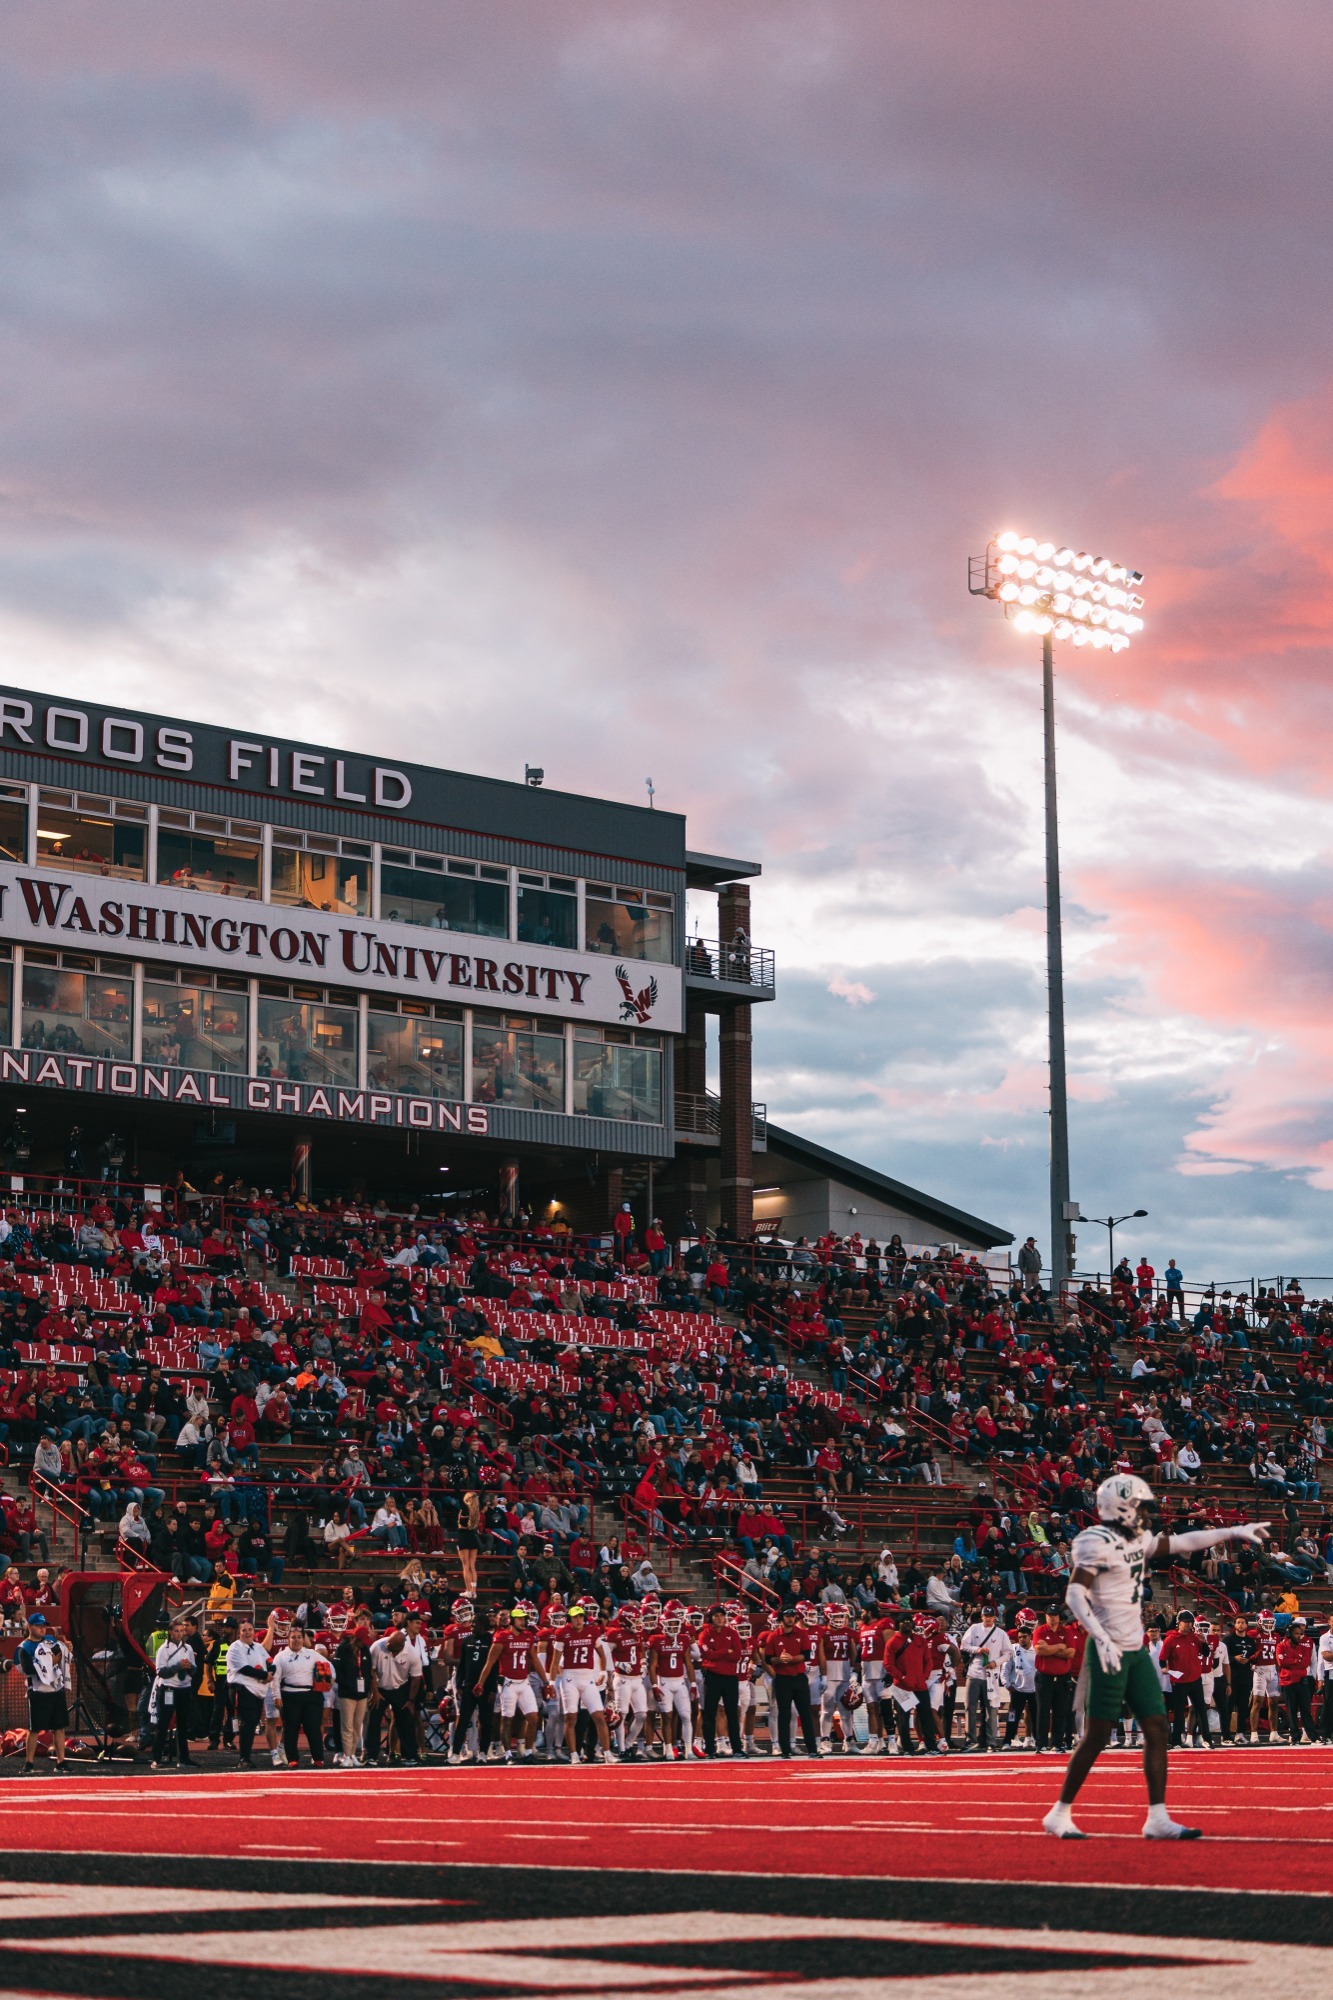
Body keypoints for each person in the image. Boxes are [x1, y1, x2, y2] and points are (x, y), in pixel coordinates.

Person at [1043, 1473, 1270, 1840]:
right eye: (1139, 1508)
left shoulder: (1136, 1542)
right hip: (1108, 1647)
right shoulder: (1095, 1541)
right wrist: (1100, 1638)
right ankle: (1060, 1811)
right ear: (1120, 1508)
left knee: (1157, 1726)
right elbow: (1074, 1595)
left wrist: (1234, 1531)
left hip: (1134, 1648)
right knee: (1098, 1734)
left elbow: (1183, 1540)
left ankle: (1157, 1816)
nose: (1146, 1517)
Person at [14, 1611, 73, 1774]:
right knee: (35, 1728)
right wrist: (49, 1663)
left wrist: (68, 1649)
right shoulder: (24, 1647)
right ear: (30, 1627)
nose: (42, 1629)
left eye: (43, 1626)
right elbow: (27, 1669)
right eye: (38, 1626)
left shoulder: (50, 1641)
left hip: (55, 1688)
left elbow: (62, 1657)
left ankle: (61, 1761)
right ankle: (29, 1763)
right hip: (38, 1690)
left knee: (59, 1727)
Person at [762, 1607, 818, 1759]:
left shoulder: (802, 1633)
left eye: (792, 1616)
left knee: (805, 1713)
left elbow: (806, 1655)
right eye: (787, 1616)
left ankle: (812, 1748)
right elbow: (768, 1659)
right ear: (781, 1618)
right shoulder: (773, 1636)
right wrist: (780, 1660)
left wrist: (792, 1659)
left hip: (799, 1677)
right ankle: (785, 1749)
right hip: (782, 1678)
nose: (790, 1619)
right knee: (784, 1715)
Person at [272, 1623, 325, 1767]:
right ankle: (292, 1759)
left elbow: (329, 1667)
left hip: (311, 1696)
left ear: (303, 1639)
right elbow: (275, 1678)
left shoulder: (312, 1654)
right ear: (288, 1640)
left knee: (313, 1728)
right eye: (293, 1637)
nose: (296, 1640)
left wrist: (327, 1680)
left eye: (299, 1637)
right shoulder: (280, 1656)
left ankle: (318, 1758)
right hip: (290, 1696)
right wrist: (277, 1696)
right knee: (291, 1729)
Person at [225, 1617, 274, 1768]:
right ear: (239, 1633)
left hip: (258, 1691)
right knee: (246, 1724)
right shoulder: (235, 1647)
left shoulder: (258, 1647)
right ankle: (243, 1758)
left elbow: (270, 1661)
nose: (247, 1632)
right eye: (244, 1630)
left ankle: (246, 1756)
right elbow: (244, 1668)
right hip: (243, 1689)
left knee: (252, 1724)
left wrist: (271, 1672)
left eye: (250, 1629)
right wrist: (265, 1676)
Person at [151, 1617, 198, 1770]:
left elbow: (194, 1670)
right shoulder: (163, 1650)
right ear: (170, 1632)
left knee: (183, 1725)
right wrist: (178, 1667)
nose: (179, 1634)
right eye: (176, 1631)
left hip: (184, 1687)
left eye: (181, 1631)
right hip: (168, 1687)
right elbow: (160, 1672)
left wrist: (189, 1666)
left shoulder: (188, 1649)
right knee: (163, 1724)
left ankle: (184, 1758)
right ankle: (156, 1758)